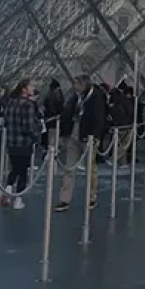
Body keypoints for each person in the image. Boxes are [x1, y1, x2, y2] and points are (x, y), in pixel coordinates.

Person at [55, 75, 106, 212]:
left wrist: (95, 136)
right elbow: (68, 113)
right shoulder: (75, 97)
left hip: (88, 137)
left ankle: (91, 197)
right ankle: (64, 199)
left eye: (76, 84)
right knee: (69, 168)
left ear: (84, 85)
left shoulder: (96, 97)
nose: (74, 86)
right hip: (74, 135)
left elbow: (99, 118)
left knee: (91, 168)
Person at [1, 80, 42, 209]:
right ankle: (18, 200)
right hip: (24, 142)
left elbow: (6, 122)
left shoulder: (10, 103)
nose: (33, 88)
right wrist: (37, 132)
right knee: (23, 171)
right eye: (31, 86)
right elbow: (28, 127)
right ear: (24, 89)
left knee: (15, 167)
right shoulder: (29, 105)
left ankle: (8, 188)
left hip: (12, 141)